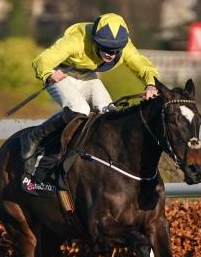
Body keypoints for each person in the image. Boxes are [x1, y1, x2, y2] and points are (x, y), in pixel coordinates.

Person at [20, 12, 160, 161]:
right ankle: (35, 136)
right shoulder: (77, 40)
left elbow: (143, 66)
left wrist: (151, 84)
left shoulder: (125, 45)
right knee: (80, 109)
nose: (111, 54)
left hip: (87, 75)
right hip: (61, 73)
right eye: (106, 48)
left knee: (109, 112)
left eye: (116, 50)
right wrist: (48, 74)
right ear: (95, 40)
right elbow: (42, 60)